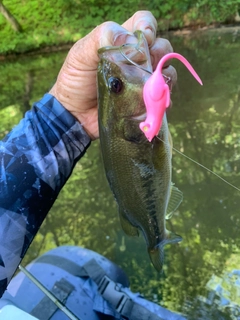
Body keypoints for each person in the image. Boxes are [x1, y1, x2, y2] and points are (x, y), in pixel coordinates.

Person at [0, 10, 178, 317]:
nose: (117, 76)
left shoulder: (135, 126)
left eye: (115, 85)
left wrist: (65, 112)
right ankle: (156, 238)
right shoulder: (138, 129)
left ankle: (155, 237)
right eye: (117, 86)